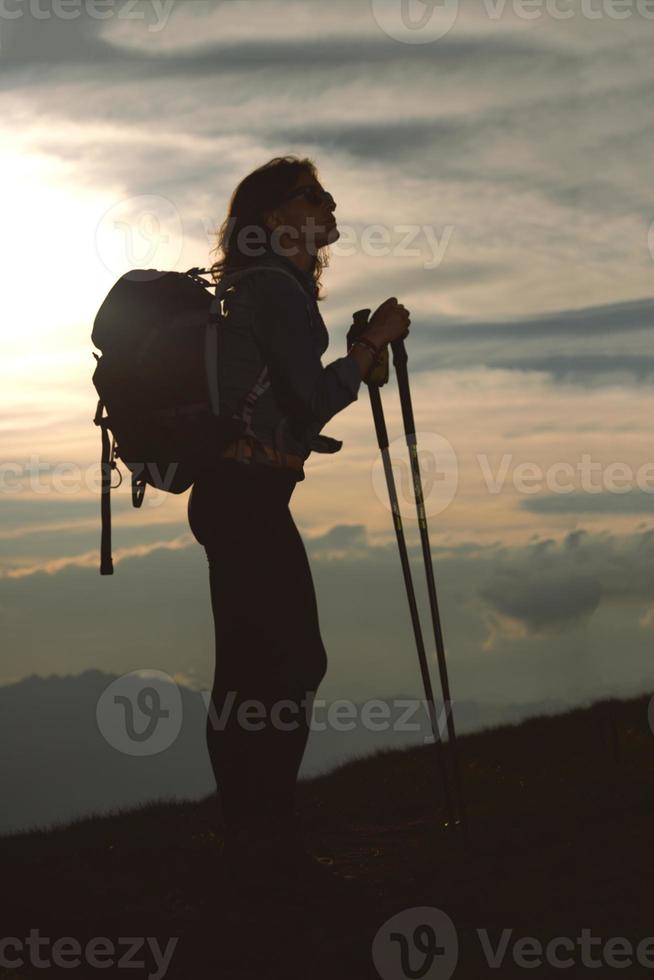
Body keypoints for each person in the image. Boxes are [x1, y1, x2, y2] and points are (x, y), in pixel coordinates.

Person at [187, 155, 410, 897]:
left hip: (236, 494)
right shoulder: (276, 293)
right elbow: (310, 400)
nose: (329, 203)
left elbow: (291, 397)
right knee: (286, 666)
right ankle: (268, 855)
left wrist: (356, 360)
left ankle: (251, 849)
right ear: (278, 216)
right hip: (247, 496)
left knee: (253, 672)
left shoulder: (253, 290)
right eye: (312, 196)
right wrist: (371, 344)